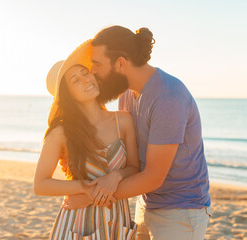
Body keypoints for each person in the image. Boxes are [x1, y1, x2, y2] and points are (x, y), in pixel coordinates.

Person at [64, 26, 212, 240]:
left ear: (121, 63)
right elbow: (131, 159)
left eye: (97, 64)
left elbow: (153, 177)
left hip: (181, 212)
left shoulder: (168, 97)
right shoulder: (127, 94)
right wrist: (114, 175)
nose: (93, 71)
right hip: (145, 204)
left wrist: (89, 197)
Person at [34, 40, 139, 240]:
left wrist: (114, 177)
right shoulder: (61, 132)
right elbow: (40, 184)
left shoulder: (123, 121)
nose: (86, 80)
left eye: (85, 73)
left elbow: (135, 168)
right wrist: (83, 189)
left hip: (118, 224)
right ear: (68, 95)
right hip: (78, 225)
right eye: (75, 80)